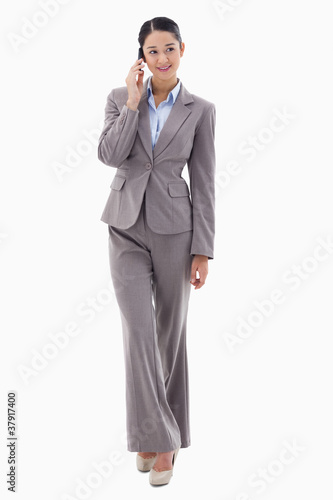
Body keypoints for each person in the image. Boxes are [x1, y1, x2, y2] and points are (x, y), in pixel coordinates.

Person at [97, 16, 216, 486]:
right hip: (124, 225)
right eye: (153, 51)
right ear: (141, 57)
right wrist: (131, 102)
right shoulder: (117, 99)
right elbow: (110, 154)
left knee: (170, 335)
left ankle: (162, 434)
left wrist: (203, 248)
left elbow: (204, 183)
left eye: (170, 49)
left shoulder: (200, 109)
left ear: (183, 50)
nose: (162, 59)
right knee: (138, 333)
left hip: (175, 231)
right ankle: (162, 438)